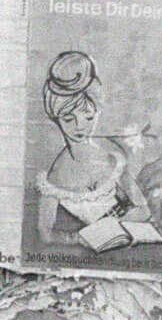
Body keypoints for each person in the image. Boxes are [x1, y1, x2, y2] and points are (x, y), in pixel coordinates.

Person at [35, 51, 155, 245]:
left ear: (96, 113)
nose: (80, 126)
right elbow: (45, 234)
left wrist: (114, 227)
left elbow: (143, 209)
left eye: (88, 117)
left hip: (135, 237)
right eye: (68, 119)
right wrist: (81, 238)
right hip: (95, 247)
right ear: (56, 119)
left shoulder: (111, 156)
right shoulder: (54, 177)